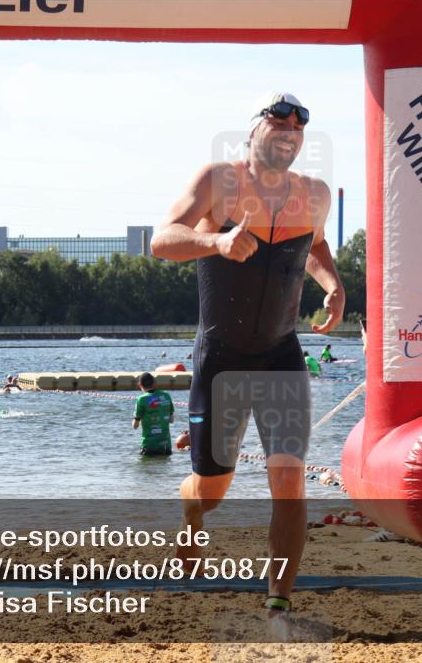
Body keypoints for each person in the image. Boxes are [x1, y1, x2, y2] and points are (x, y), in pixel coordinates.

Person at [150, 91, 343, 618]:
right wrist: (215, 243)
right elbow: (162, 240)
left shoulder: (315, 194)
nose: (289, 131)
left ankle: (279, 602)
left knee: (289, 478)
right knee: (212, 490)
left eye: (298, 126)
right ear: (254, 130)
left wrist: (333, 285)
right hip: (222, 358)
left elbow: (315, 246)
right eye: (278, 121)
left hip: (281, 354)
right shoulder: (218, 180)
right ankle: (191, 511)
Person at [132, 372, 174, 457]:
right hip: (166, 446)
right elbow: (171, 420)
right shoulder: (166, 396)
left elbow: (135, 426)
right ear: (154, 383)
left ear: (140, 385)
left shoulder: (141, 399)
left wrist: (136, 418)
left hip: (149, 446)